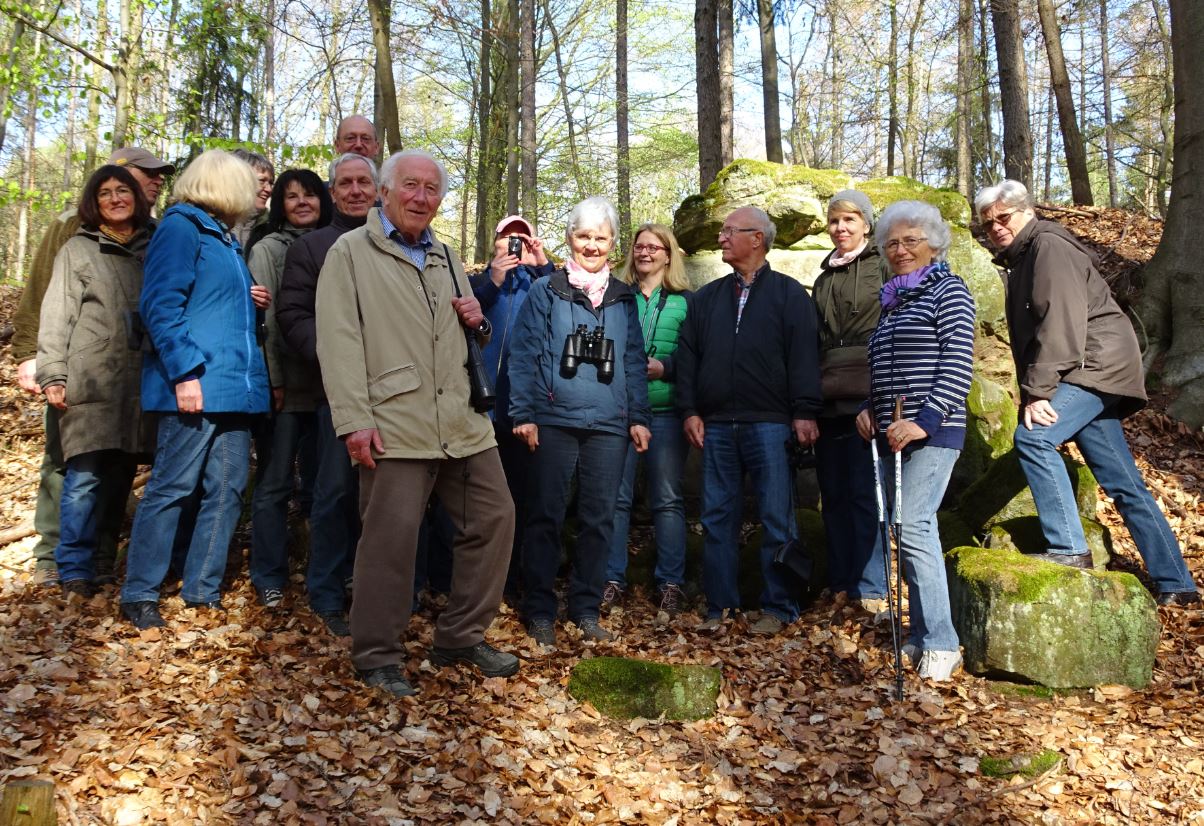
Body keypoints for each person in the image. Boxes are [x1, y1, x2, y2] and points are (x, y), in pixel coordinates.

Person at [316, 149, 519, 697]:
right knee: (390, 540)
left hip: (461, 419)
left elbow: (465, 334)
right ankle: (376, 654)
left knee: (495, 517)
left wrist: (478, 323)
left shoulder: (447, 255)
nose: (421, 198)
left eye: (432, 189)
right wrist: (354, 421)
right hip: (393, 421)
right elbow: (338, 342)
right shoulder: (350, 252)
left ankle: (459, 635)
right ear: (385, 191)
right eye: (411, 186)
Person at [975, 180, 1200, 606]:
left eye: (1003, 218)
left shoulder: (1047, 248)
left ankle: (1068, 549)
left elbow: (1060, 322)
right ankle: (1178, 582)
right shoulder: (1025, 256)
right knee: (1123, 481)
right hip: (1090, 367)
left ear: (1026, 211)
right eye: (989, 225)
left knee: (1035, 439)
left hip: (1093, 365)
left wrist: (1038, 392)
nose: (996, 228)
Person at [119, 149, 271, 630]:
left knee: (226, 490)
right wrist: (185, 372)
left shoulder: (224, 238)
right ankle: (140, 591)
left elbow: (220, 312)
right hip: (197, 386)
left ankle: (201, 591)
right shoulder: (181, 227)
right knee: (172, 487)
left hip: (234, 388)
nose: (254, 197)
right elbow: (160, 305)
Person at [11, 147, 174, 586]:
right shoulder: (72, 236)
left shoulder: (157, 239)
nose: (153, 183)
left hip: (137, 379)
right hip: (85, 375)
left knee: (120, 467)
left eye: (131, 188)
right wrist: (44, 366)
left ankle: (102, 559)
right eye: (146, 176)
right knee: (72, 467)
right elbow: (48, 303)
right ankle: (59, 562)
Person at [508, 196, 652, 648]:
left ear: (613, 243)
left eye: (601, 238)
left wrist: (639, 418)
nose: (592, 245)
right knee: (545, 515)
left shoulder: (623, 297)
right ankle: (539, 610)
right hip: (552, 418)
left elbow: (631, 359)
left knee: (598, 519)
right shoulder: (545, 290)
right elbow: (524, 353)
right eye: (584, 236)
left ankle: (586, 609)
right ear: (570, 238)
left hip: (610, 423)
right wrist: (524, 414)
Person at [676, 206, 822, 636]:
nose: (721, 238)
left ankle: (780, 607)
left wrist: (805, 411)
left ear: (756, 238)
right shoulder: (707, 298)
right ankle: (720, 605)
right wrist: (690, 410)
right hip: (717, 425)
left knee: (778, 516)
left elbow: (804, 358)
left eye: (729, 232)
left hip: (771, 424)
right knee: (717, 516)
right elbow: (687, 358)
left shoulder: (790, 295)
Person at [854, 200, 975, 682]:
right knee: (899, 528)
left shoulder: (949, 290)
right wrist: (870, 408)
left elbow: (957, 364)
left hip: (932, 431)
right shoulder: (894, 299)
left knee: (915, 525)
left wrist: (924, 420)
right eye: (891, 243)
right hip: (890, 431)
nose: (900, 250)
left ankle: (943, 641)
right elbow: (885, 369)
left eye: (910, 241)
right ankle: (922, 635)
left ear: (933, 243)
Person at [277, 153, 380, 635]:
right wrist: (345, 357)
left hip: (396, 397)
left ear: (378, 189)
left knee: (383, 499)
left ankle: (376, 589)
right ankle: (325, 592)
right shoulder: (313, 248)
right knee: (335, 492)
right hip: (335, 394)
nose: (356, 190)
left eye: (364, 182)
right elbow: (293, 317)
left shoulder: (394, 242)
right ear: (333, 192)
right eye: (346, 183)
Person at [247, 170, 333, 612]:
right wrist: (273, 380)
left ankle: (323, 574)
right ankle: (269, 576)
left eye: (310, 195)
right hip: (284, 388)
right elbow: (264, 325)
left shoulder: (337, 244)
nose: (302, 202)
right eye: (292, 196)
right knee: (274, 485)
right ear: (279, 203)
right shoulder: (266, 249)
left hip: (325, 388)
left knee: (323, 488)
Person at [602, 222, 691, 622]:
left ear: (668, 254)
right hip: (620, 411)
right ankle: (611, 579)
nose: (646, 253)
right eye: (640, 246)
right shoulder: (615, 297)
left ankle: (670, 583)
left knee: (668, 500)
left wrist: (667, 367)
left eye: (655, 247)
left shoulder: (687, 301)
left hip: (667, 412)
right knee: (615, 499)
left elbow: (696, 355)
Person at [813, 191, 890, 613]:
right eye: (834, 221)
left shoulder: (883, 267)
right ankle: (842, 581)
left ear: (865, 223)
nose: (840, 228)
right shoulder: (824, 277)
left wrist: (881, 398)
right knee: (834, 495)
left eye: (849, 220)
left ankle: (872, 586)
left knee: (866, 494)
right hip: (828, 400)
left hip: (867, 394)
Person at [470, 214, 554, 603]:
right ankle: (466, 580)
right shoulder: (477, 282)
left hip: (523, 411)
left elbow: (560, 310)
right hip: (479, 408)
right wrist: (494, 282)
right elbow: (466, 318)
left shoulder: (540, 283)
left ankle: (513, 580)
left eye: (523, 238)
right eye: (508, 239)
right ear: (495, 245)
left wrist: (544, 267)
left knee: (519, 499)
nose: (515, 245)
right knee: (475, 502)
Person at [231, 149, 275, 250]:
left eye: (271, 183)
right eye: (261, 181)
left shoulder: (268, 231)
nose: (269, 189)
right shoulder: (210, 226)